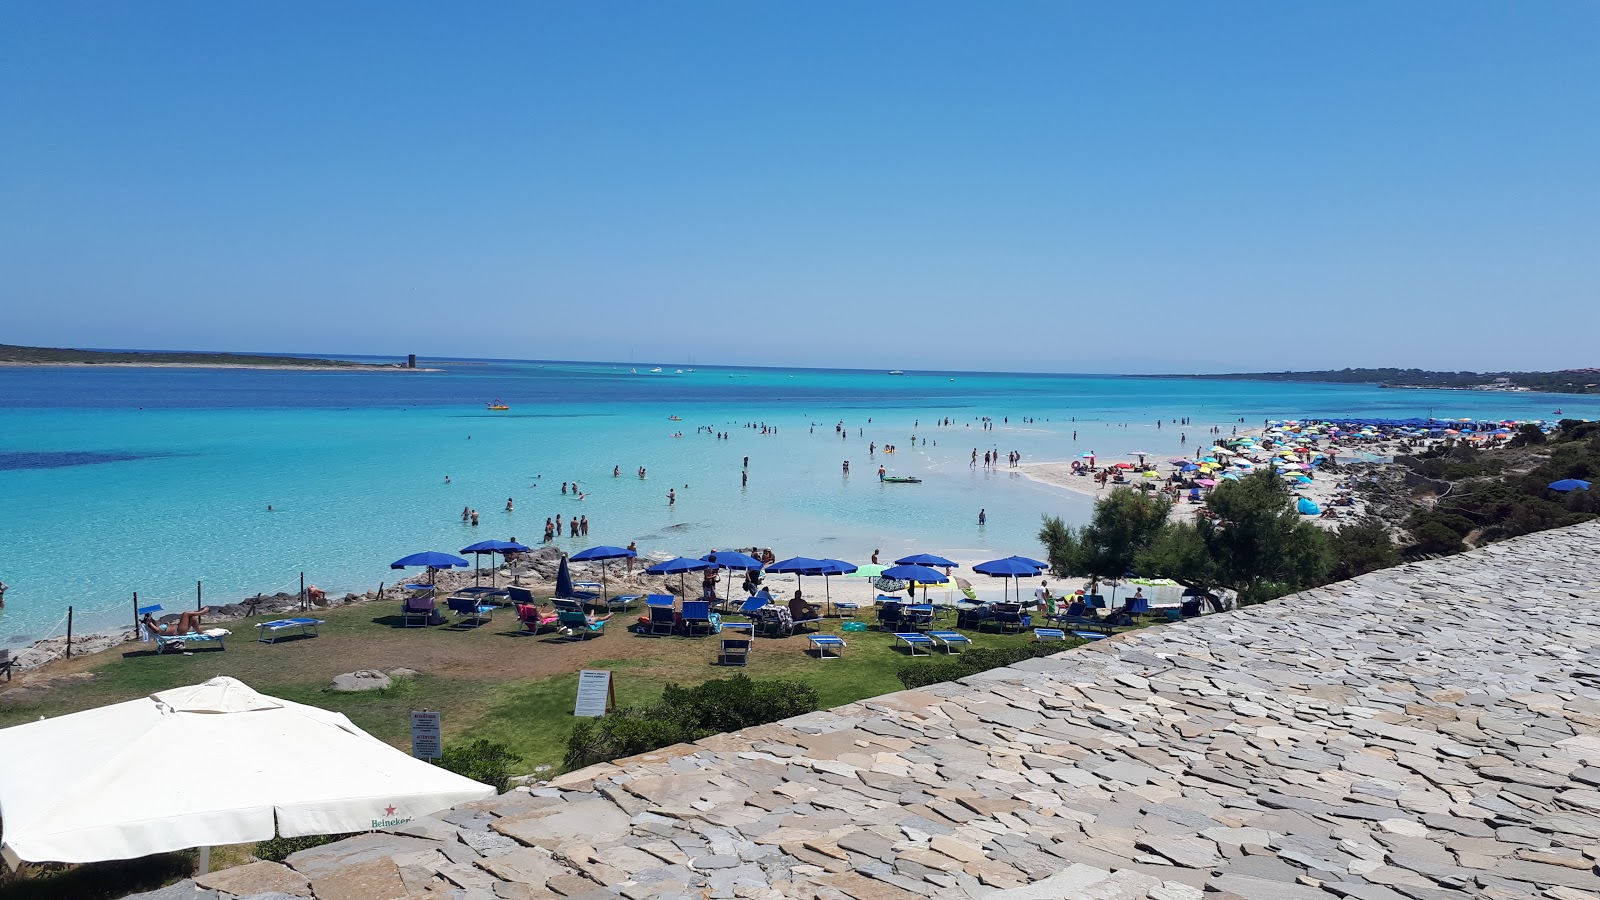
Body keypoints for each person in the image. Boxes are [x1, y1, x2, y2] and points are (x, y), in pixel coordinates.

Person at [143, 607, 212, 637]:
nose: (151, 619)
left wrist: (149, 617)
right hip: (179, 631)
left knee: (192, 618)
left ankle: (200, 632)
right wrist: (149, 622)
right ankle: (202, 612)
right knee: (186, 614)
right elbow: (156, 630)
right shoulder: (157, 629)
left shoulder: (156, 626)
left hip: (179, 628)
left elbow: (153, 624)